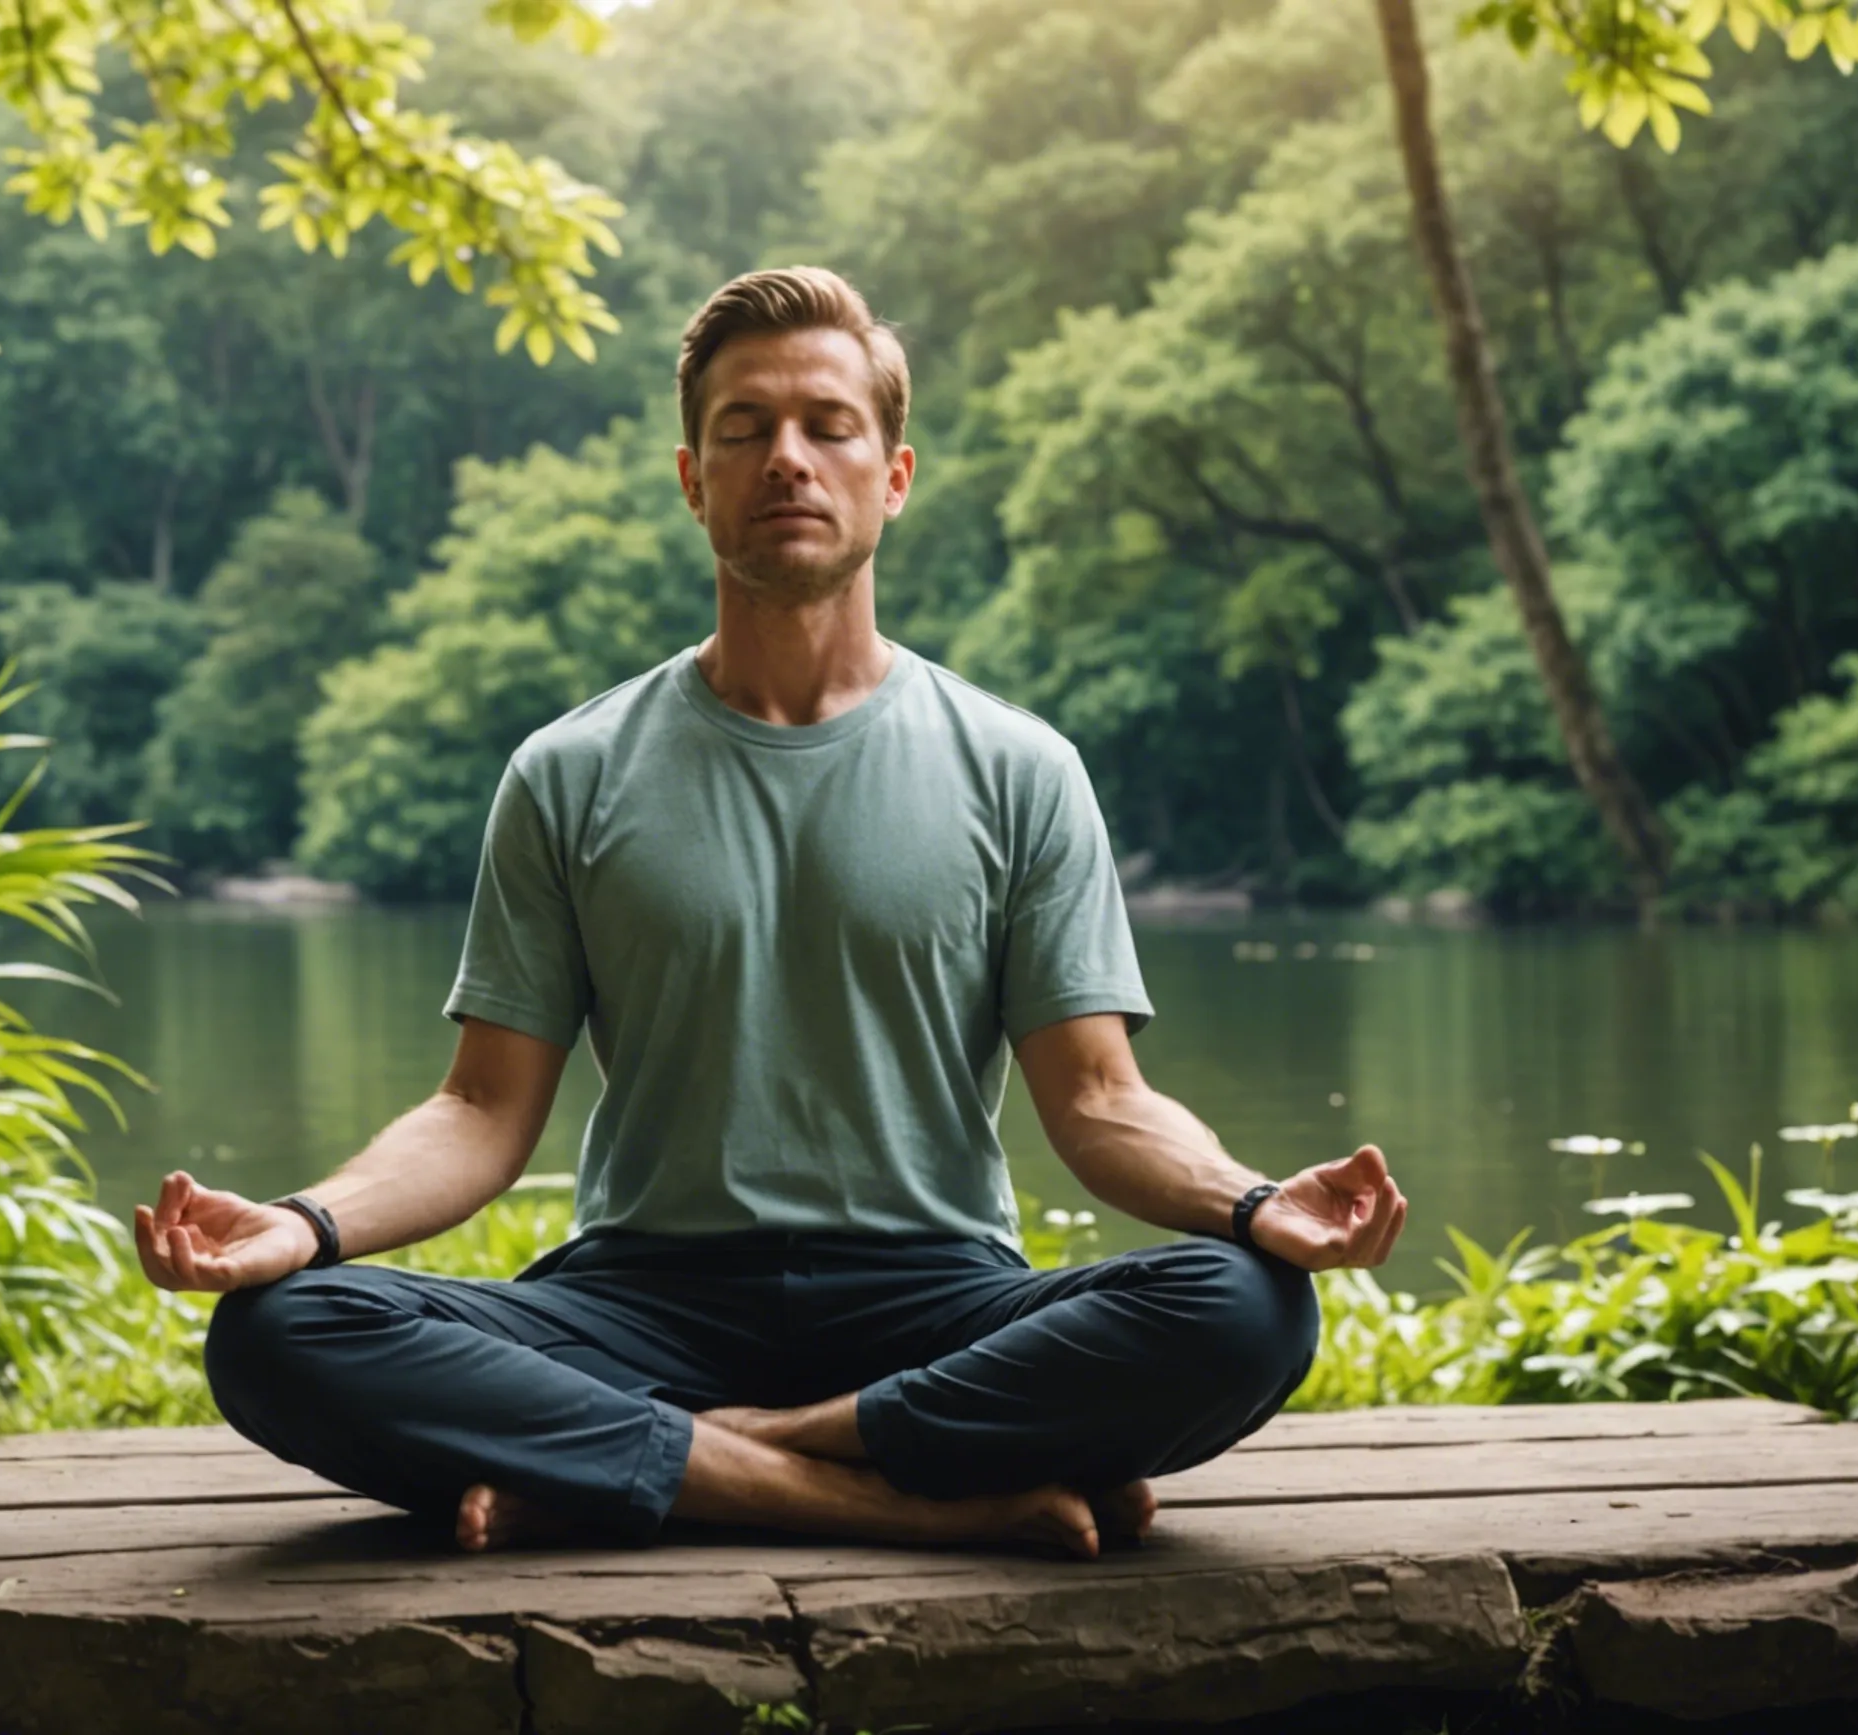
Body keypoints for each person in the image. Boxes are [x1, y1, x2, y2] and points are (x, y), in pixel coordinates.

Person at [133, 266, 1407, 1559]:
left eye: (827, 426)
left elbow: (1097, 1099)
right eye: (744, 430)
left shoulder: (1019, 767)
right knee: (283, 1330)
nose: (786, 459)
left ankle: (661, 1459)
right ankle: (902, 1491)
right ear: (694, 479)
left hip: (934, 1292)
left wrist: (1253, 1205)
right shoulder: (570, 772)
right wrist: (304, 1223)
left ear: (893, 474)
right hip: (641, 1298)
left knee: (1249, 1308)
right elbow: (480, 1111)